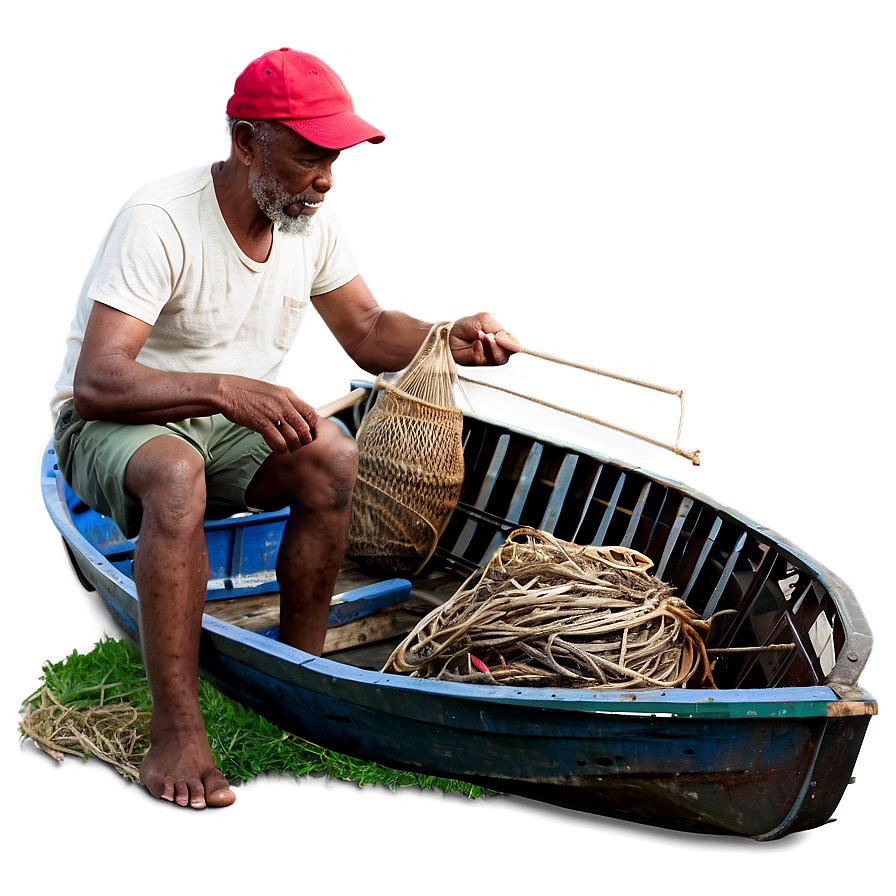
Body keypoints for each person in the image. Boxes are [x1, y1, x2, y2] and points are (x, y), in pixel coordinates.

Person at [49, 47, 519, 810]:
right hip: (117, 423)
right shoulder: (158, 218)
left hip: (221, 417)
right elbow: (98, 381)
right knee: (177, 476)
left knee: (329, 456)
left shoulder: (309, 221)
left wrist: (445, 337)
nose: (326, 179)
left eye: (333, 159)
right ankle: (177, 729)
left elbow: (364, 330)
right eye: (308, 156)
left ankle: (300, 676)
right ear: (245, 144)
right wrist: (225, 389)